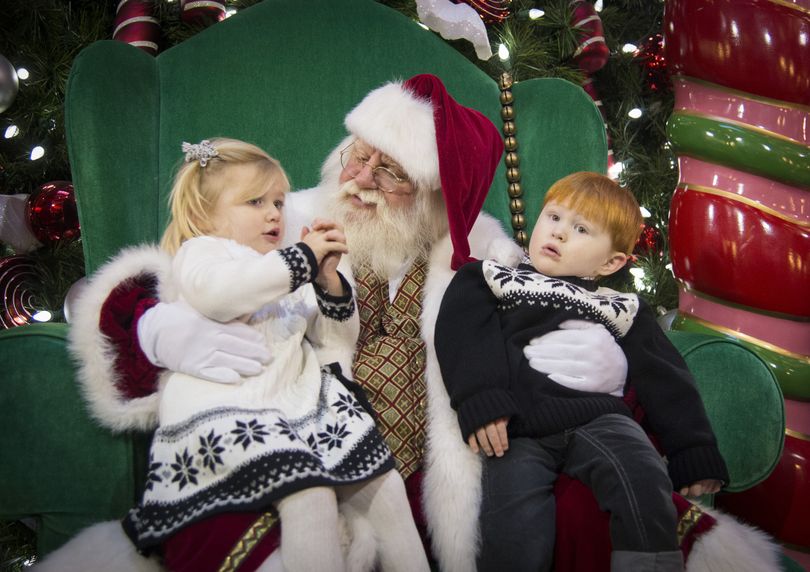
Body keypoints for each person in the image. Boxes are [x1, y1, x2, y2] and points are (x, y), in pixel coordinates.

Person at [64, 75, 779, 572]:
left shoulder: (490, 256)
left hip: (444, 475)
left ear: (434, 193)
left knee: (606, 509)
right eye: (358, 155)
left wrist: (613, 367)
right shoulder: (291, 215)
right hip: (299, 447)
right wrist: (158, 328)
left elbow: (577, 330)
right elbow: (175, 266)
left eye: (389, 170)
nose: (361, 179)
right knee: (244, 533)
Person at [121, 137, 429, 572]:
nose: (273, 213)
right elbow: (222, 296)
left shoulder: (280, 264)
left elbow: (334, 331)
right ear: (204, 213)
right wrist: (302, 259)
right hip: (228, 411)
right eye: (255, 202)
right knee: (310, 495)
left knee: (384, 485)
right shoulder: (203, 253)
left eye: (280, 202)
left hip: (293, 406)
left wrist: (327, 281)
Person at [435, 172, 729, 571]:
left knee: (643, 480)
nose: (558, 234)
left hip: (600, 420)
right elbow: (463, 333)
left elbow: (666, 377)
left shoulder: (621, 306)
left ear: (611, 262)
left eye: (580, 229)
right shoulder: (492, 277)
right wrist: (481, 400)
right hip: (519, 425)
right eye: (553, 217)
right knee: (509, 521)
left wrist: (693, 450)